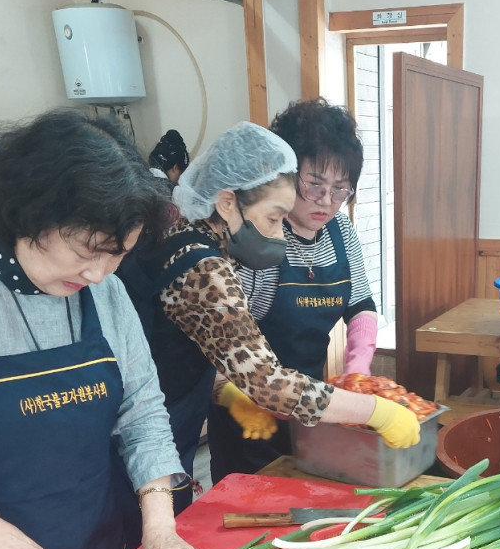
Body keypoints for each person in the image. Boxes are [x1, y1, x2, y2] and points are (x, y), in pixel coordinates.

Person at [0, 108, 209, 549]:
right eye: (89, 249)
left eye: (118, 254)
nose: (101, 273)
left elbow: (143, 412)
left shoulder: (103, 294)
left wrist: (160, 527)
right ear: (33, 212)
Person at [118, 120, 419, 495]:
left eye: (340, 189)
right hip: (144, 426)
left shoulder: (195, 237)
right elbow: (267, 382)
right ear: (227, 203)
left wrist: (227, 390)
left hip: (170, 414)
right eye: (275, 219)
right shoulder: (205, 267)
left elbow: (213, 344)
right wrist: (376, 412)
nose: (279, 235)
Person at [207, 97, 378, 479]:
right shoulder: (261, 234)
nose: (327, 202)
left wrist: (358, 370)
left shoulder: (340, 231)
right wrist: (234, 395)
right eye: (314, 185)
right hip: (249, 413)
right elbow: (222, 339)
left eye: (341, 189)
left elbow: (360, 303)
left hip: (313, 410)